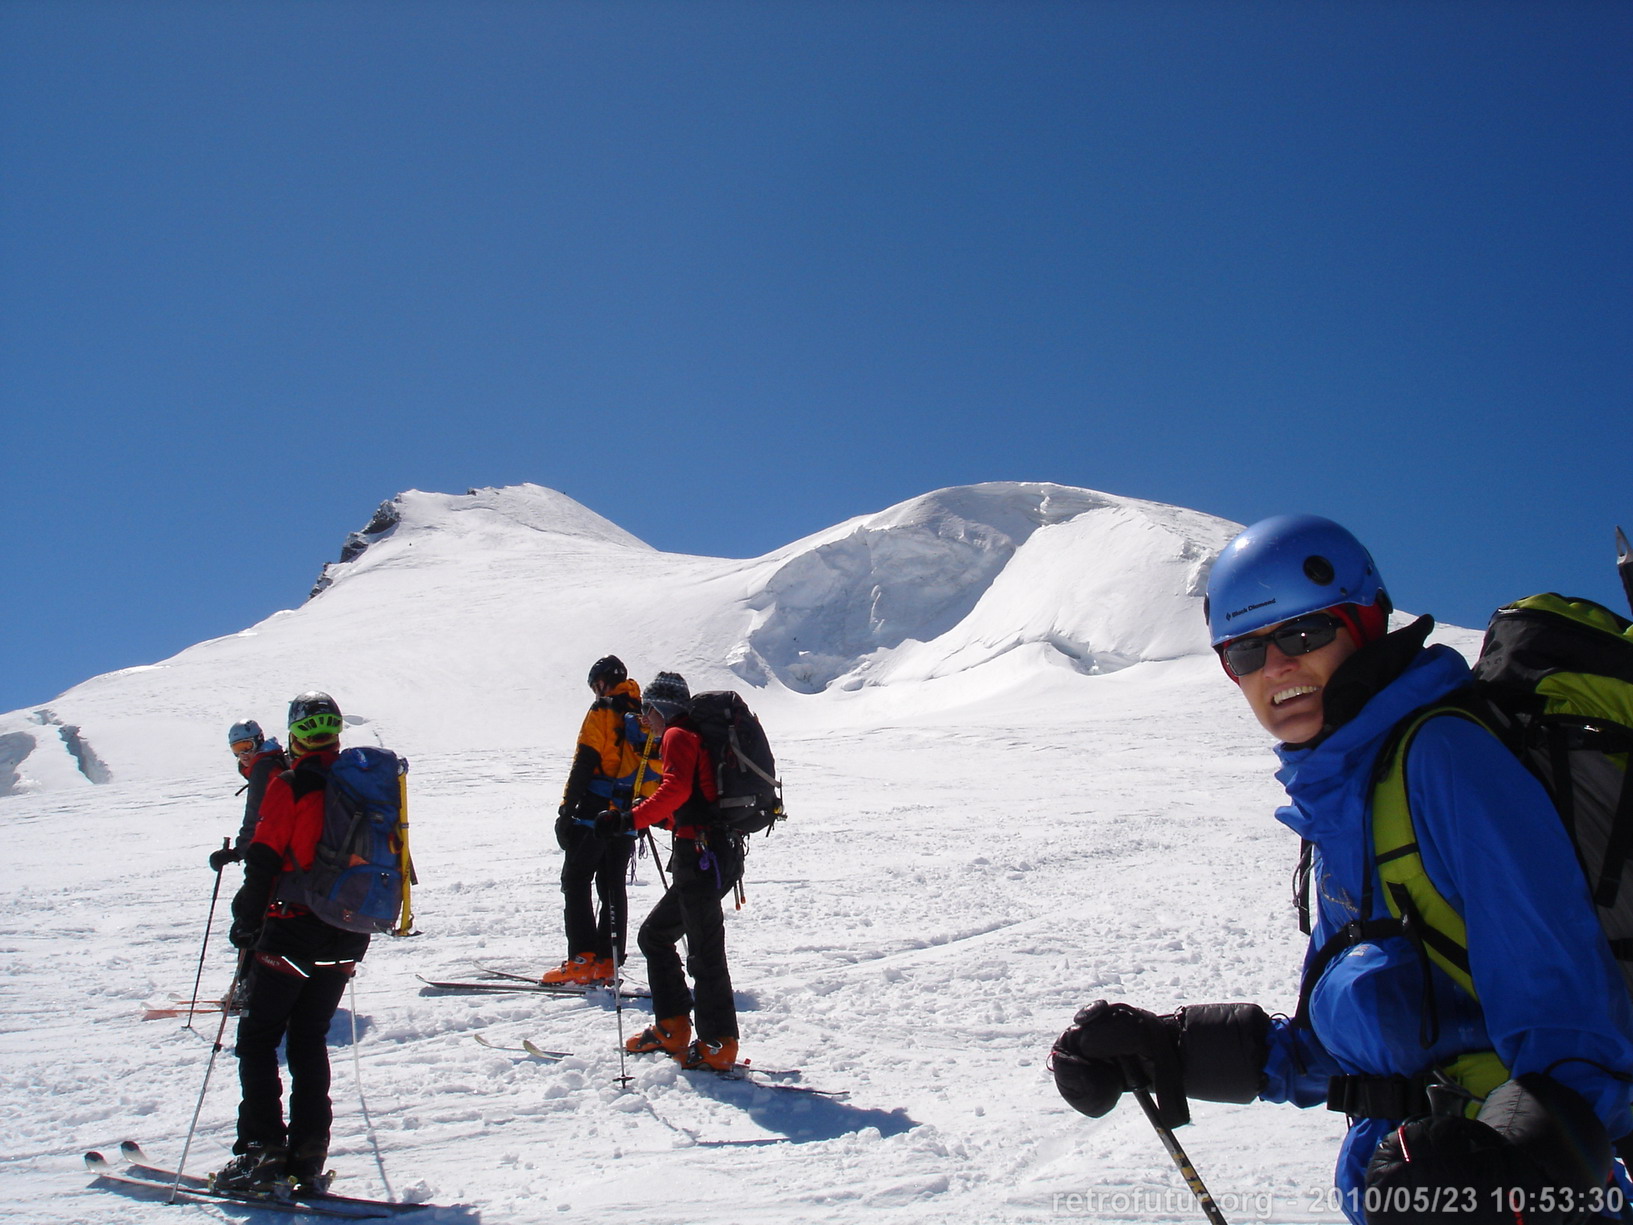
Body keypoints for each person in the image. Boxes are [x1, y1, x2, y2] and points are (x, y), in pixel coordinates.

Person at [1050, 515, 1633, 1225]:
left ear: (1364, 621)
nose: (1276, 667)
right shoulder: (1346, 797)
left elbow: (1570, 1022)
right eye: (1244, 650)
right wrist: (1165, 1048)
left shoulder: (1444, 758)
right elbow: (1339, 1045)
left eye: (1302, 634)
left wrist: (1506, 1172)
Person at [215, 691, 370, 1194]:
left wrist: (245, 921)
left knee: (259, 1037)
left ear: (296, 733)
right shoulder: (365, 784)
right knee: (309, 1039)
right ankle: (307, 1153)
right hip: (348, 935)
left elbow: (263, 859)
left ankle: (260, 1151)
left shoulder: (288, 783)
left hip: (292, 929)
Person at [604, 671, 743, 1072]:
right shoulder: (692, 735)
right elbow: (695, 798)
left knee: (703, 951)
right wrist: (660, 820)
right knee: (657, 936)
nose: (646, 719)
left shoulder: (678, 735)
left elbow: (676, 790)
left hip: (700, 858)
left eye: (648, 710)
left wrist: (630, 819)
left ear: (661, 707)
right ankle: (673, 1027)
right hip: (709, 851)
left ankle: (718, 1045)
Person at [542, 655, 661, 985]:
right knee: (612, 884)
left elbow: (585, 760)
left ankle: (580, 960)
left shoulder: (603, 711)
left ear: (605, 681)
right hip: (629, 811)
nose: (595, 692)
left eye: (596, 685)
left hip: (596, 807)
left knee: (576, 879)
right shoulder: (645, 713)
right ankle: (609, 962)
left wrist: (567, 810)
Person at [208, 720, 289, 872]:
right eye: (237, 749)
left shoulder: (262, 768)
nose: (243, 755)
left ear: (258, 740)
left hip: (278, 848)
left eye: (246, 746)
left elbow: (254, 815)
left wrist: (238, 852)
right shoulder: (274, 759)